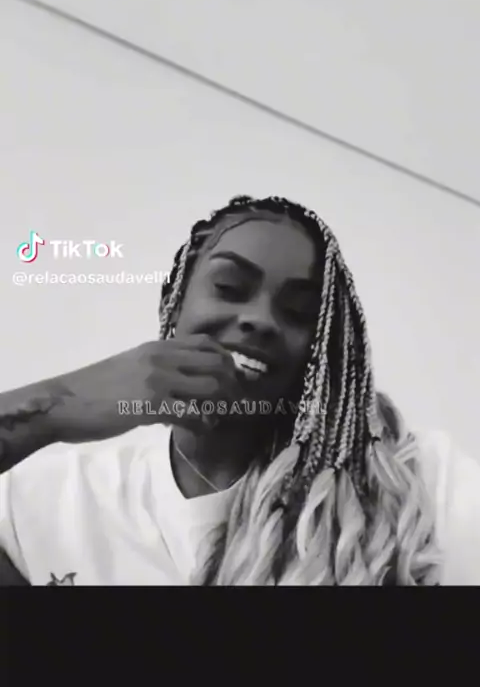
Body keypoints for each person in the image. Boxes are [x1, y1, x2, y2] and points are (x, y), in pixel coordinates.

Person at [0, 194, 479, 585]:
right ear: (173, 300)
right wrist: (55, 405)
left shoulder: (418, 482)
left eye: (299, 312)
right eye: (229, 287)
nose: (260, 319)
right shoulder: (49, 500)